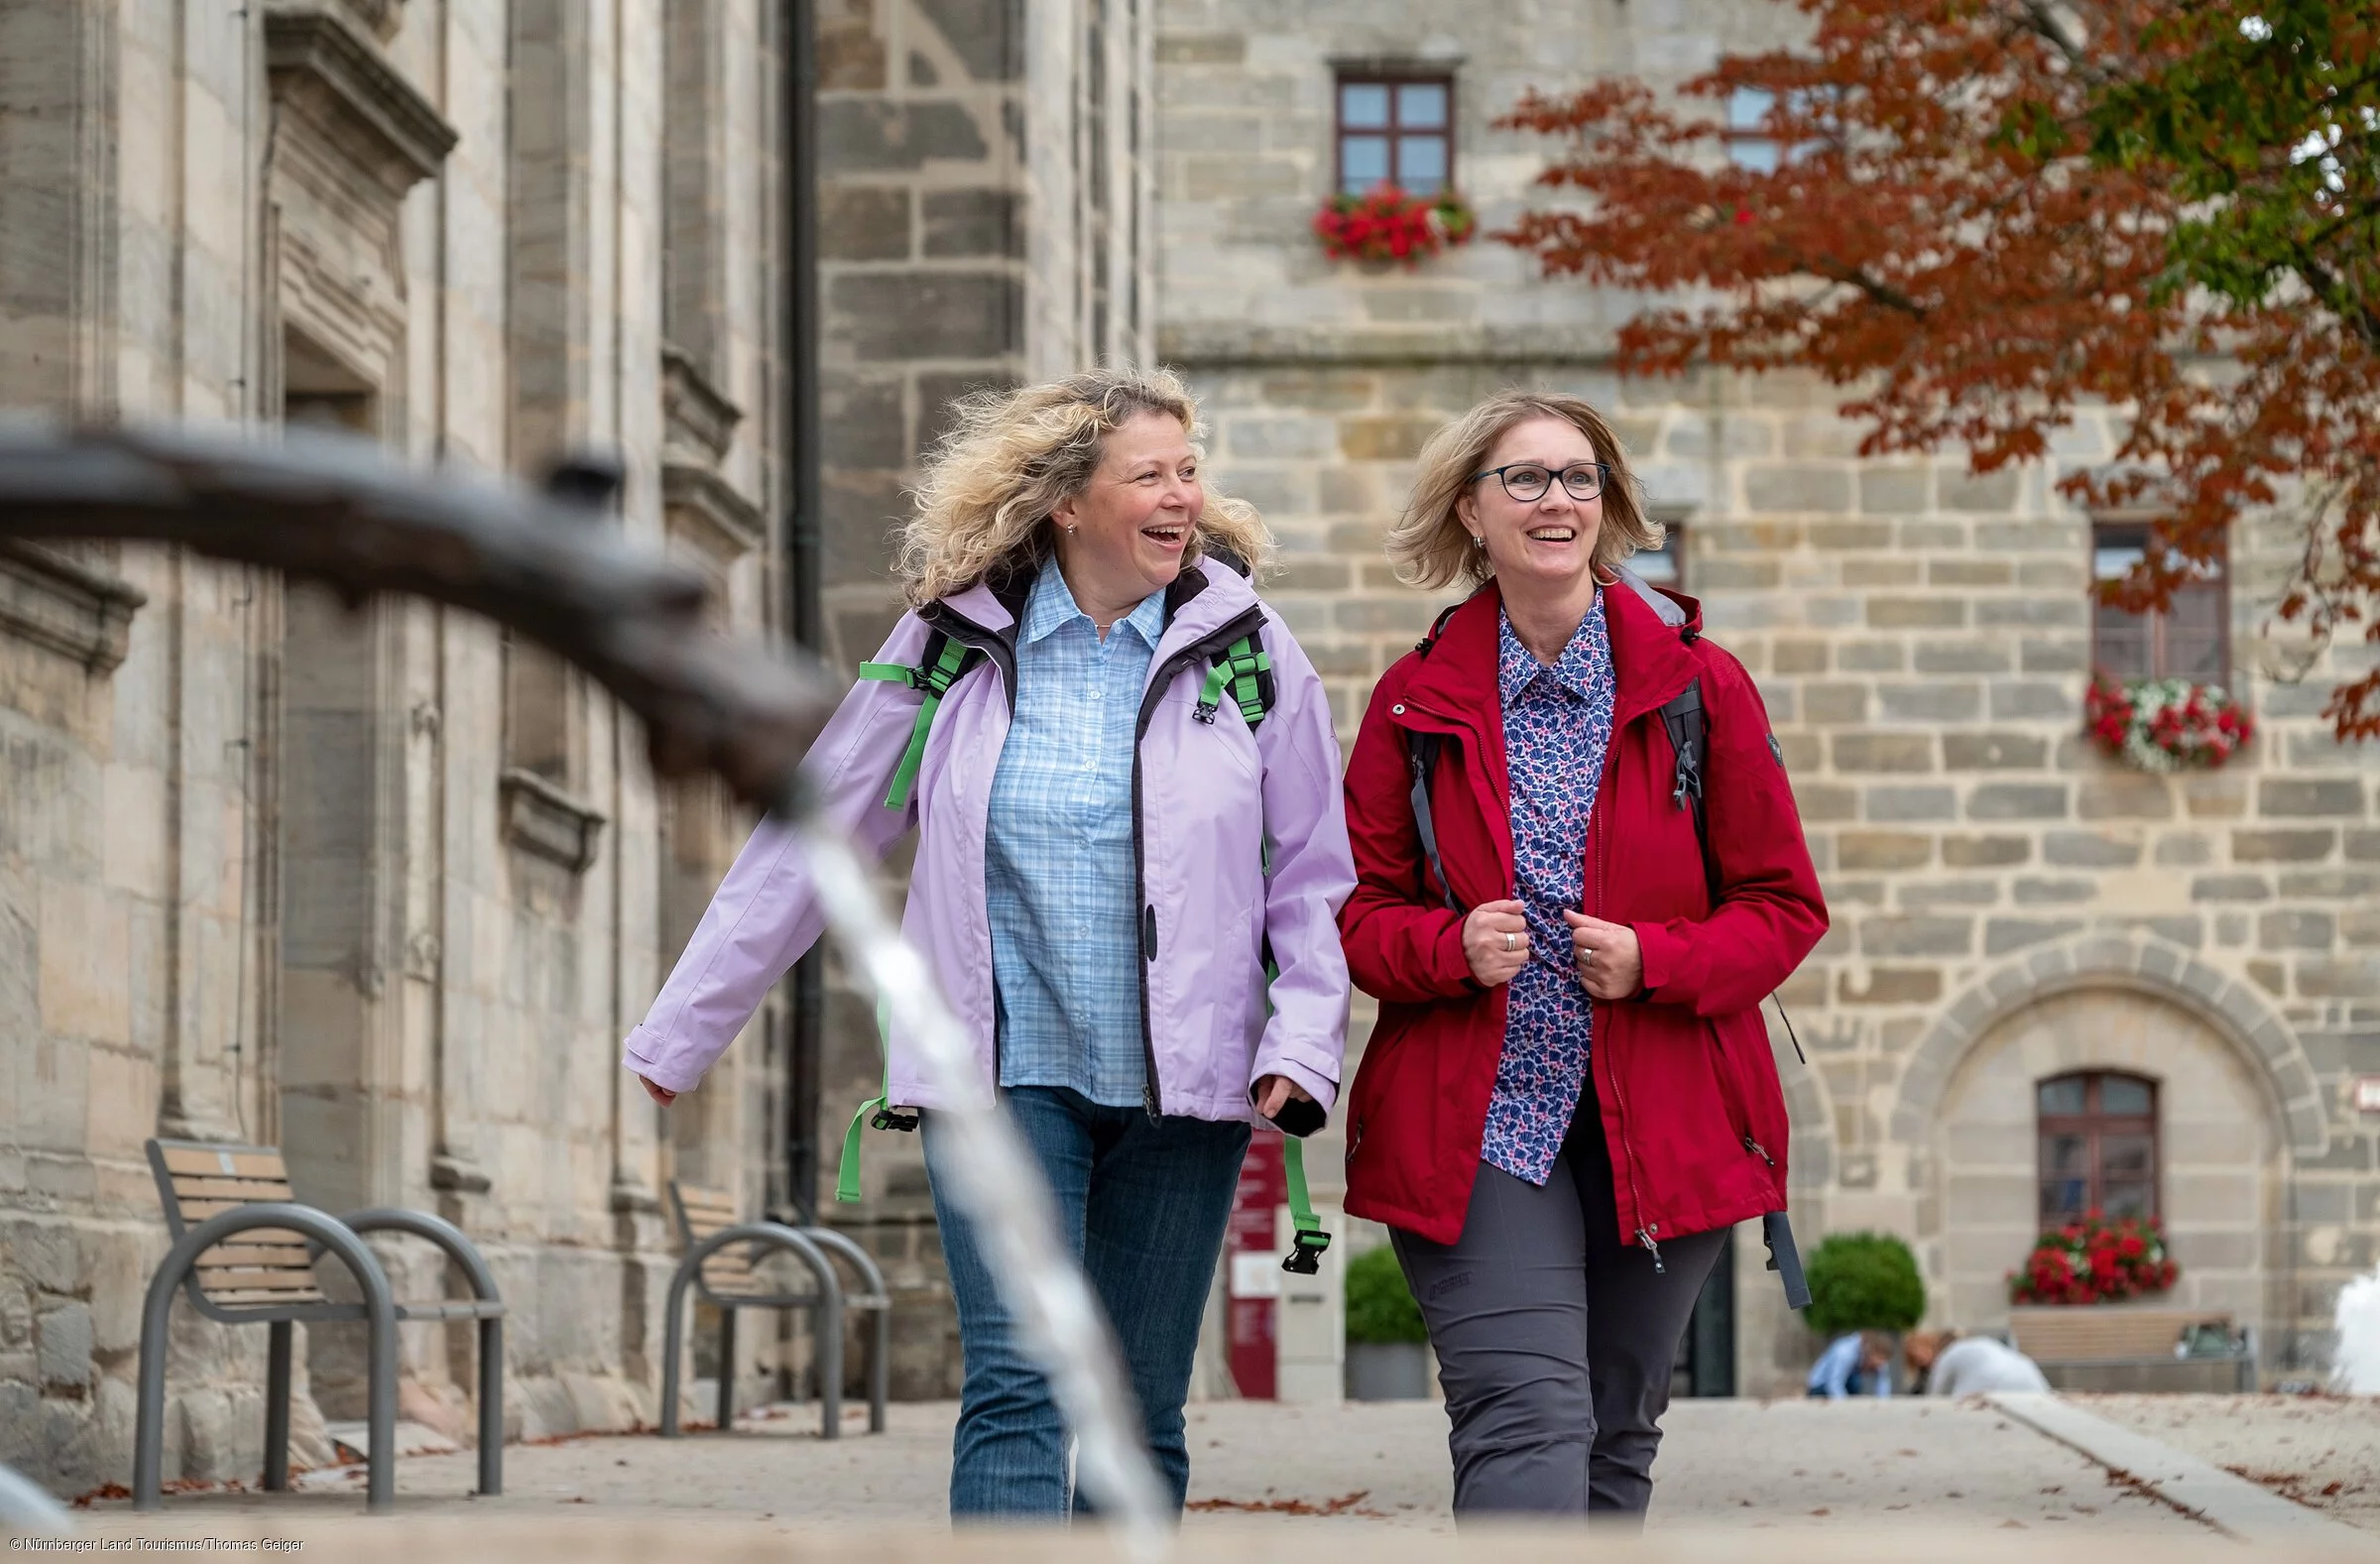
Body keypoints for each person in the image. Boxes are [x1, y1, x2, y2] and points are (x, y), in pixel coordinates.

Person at [622, 368, 1355, 1521]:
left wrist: (1304, 1045)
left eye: (1189, 470)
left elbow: (1314, 874)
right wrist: (681, 1031)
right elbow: (810, 838)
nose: (1182, 496)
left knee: (1135, 1403)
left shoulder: (1249, 651)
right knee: (1019, 1384)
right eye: (1149, 474)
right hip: (1003, 1075)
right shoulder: (953, 641)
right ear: (1067, 500)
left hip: (1194, 1085)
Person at [1337, 390, 1829, 1523]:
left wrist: (1656, 957)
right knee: (1524, 1416)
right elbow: (1362, 913)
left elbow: (1783, 905)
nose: (1555, 499)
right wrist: (1447, 945)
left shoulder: (1701, 687)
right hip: (1484, 1121)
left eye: (1579, 478)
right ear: (1471, 509)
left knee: (1614, 1432)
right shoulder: (1414, 703)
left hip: (1667, 1114)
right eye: (1525, 477)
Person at [1905, 1330, 2053, 1396]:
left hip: (1993, 1387)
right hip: (2034, 1382)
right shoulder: (1983, 1344)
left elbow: (1935, 1398)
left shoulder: (1948, 1355)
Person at [1807, 1330, 1895, 1399]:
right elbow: (1834, 1383)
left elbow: (1883, 1383)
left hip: (1843, 1382)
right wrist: (1845, 1406)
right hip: (1819, 1387)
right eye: (1879, 1360)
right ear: (1869, 1350)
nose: (1880, 1365)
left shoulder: (1871, 1353)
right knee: (1855, 1382)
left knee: (1856, 1381)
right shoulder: (1845, 1353)